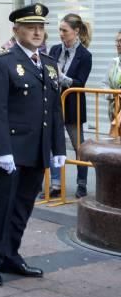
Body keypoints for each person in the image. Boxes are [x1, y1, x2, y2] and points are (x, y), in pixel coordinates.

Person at [0, 4, 66, 287]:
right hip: (10, 150)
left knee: (23, 206)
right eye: (30, 27)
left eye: (41, 27)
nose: (37, 32)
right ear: (16, 31)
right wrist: (2, 150)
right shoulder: (2, 60)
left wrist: (58, 148)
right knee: (2, 206)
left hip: (36, 149)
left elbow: (53, 110)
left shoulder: (49, 64)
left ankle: (10, 255)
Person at [48, 13, 93, 198]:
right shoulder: (54, 50)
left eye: (64, 30)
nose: (61, 34)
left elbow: (80, 82)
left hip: (73, 106)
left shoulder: (85, 55)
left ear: (76, 31)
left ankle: (81, 184)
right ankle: (56, 184)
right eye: (59, 30)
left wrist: (61, 77)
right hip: (54, 105)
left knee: (79, 147)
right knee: (53, 145)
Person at [104, 30, 121, 122]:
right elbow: (105, 84)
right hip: (114, 111)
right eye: (117, 41)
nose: (118, 44)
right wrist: (113, 94)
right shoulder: (114, 62)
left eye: (120, 41)